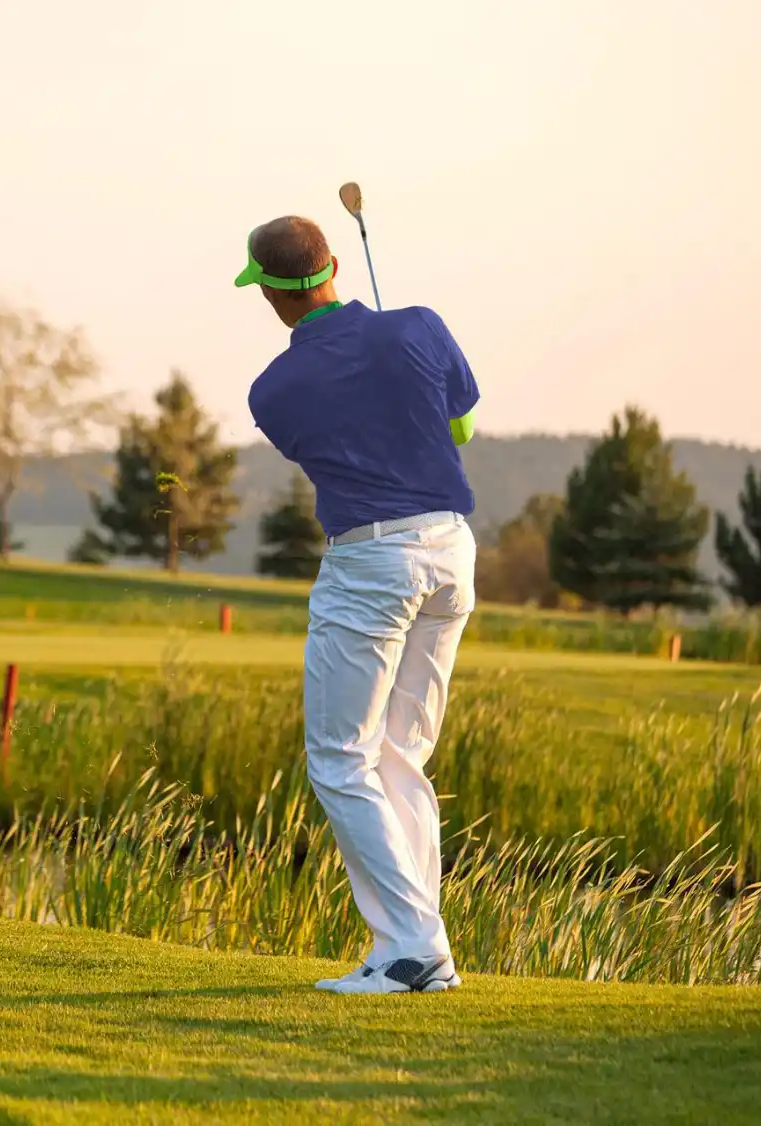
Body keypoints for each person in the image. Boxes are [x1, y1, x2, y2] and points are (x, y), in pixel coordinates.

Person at [236, 215, 479, 995]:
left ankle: (413, 946)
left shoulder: (273, 391)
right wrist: (405, 374)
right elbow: (462, 427)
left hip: (374, 562)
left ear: (269, 292)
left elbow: (326, 446)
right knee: (398, 754)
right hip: (450, 551)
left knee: (341, 758)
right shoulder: (421, 326)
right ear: (334, 264)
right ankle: (413, 948)